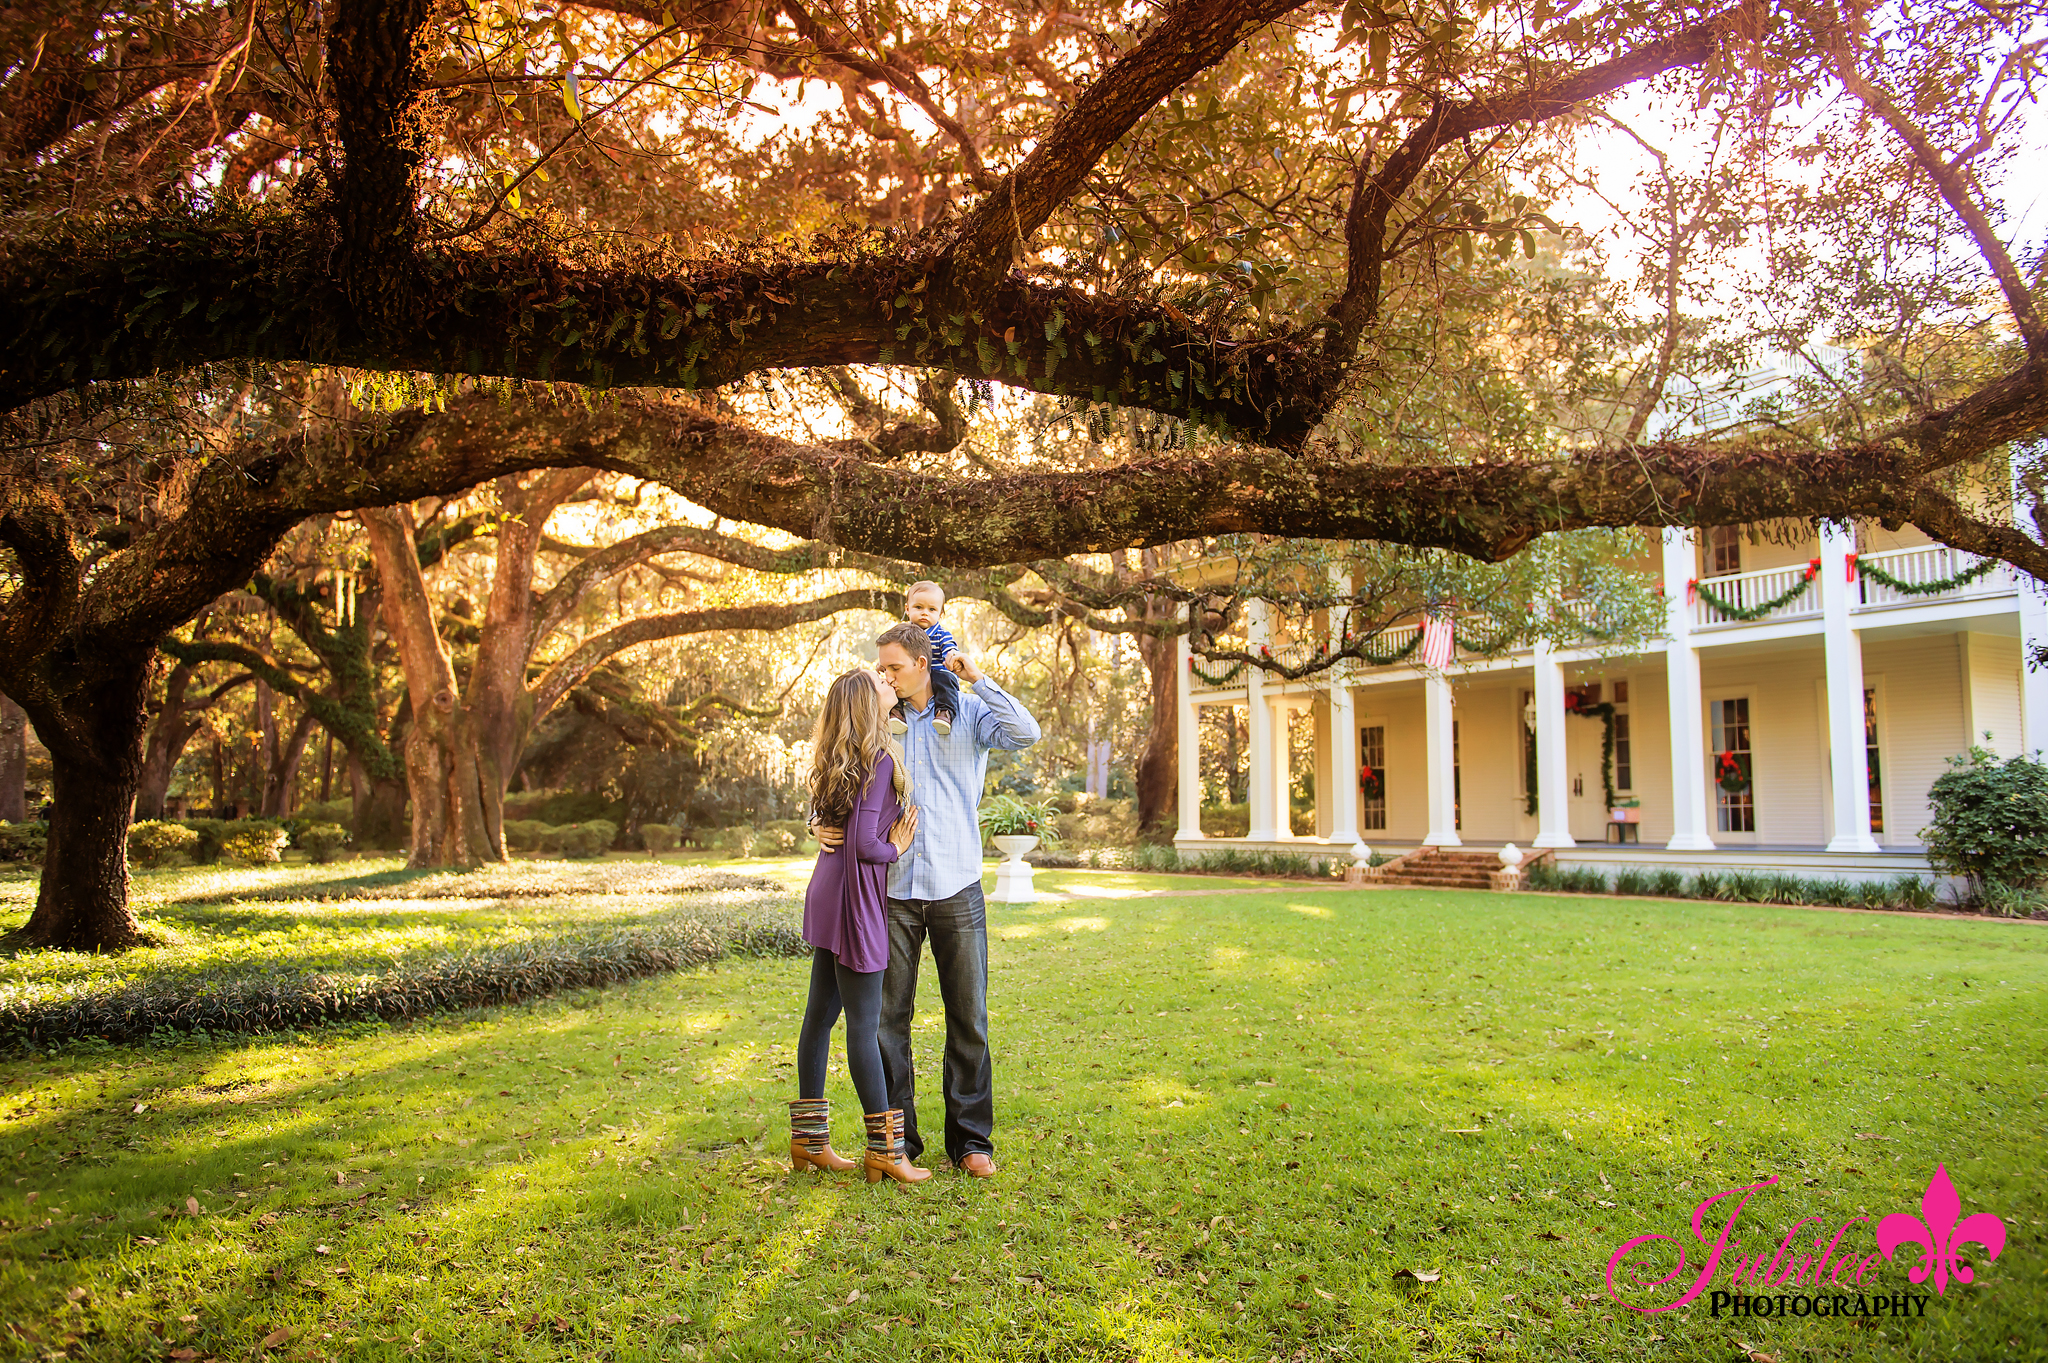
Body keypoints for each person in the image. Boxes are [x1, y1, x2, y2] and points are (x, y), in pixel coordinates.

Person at [818, 622, 1040, 1178]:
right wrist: (817, 822)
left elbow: (1026, 732)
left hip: (956, 884)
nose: (884, 675)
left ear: (922, 662)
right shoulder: (877, 717)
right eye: (881, 668)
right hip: (888, 893)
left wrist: (978, 678)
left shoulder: (965, 712)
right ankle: (896, 1141)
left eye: (892, 666)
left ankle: (970, 1142)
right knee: (885, 1020)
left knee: (969, 1017)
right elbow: (835, 771)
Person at [790, 668, 929, 1185]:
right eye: (881, 683)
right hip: (853, 900)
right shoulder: (877, 762)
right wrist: (899, 845)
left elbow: (832, 824)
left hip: (827, 893)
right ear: (869, 704)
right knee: (864, 1028)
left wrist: (816, 825)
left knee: (819, 1019)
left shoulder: (836, 760)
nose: (889, 683)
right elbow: (866, 845)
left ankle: (808, 1143)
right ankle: (886, 1152)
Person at [889, 580, 960, 737]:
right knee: (891, 681)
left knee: (946, 681)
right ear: (907, 609)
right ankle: (896, 712)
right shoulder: (901, 634)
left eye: (932, 609)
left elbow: (949, 647)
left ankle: (944, 713)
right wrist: (883, 665)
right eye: (918, 607)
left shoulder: (941, 634)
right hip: (910, 675)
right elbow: (890, 652)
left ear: (940, 614)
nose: (924, 613)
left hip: (935, 672)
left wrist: (952, 655)